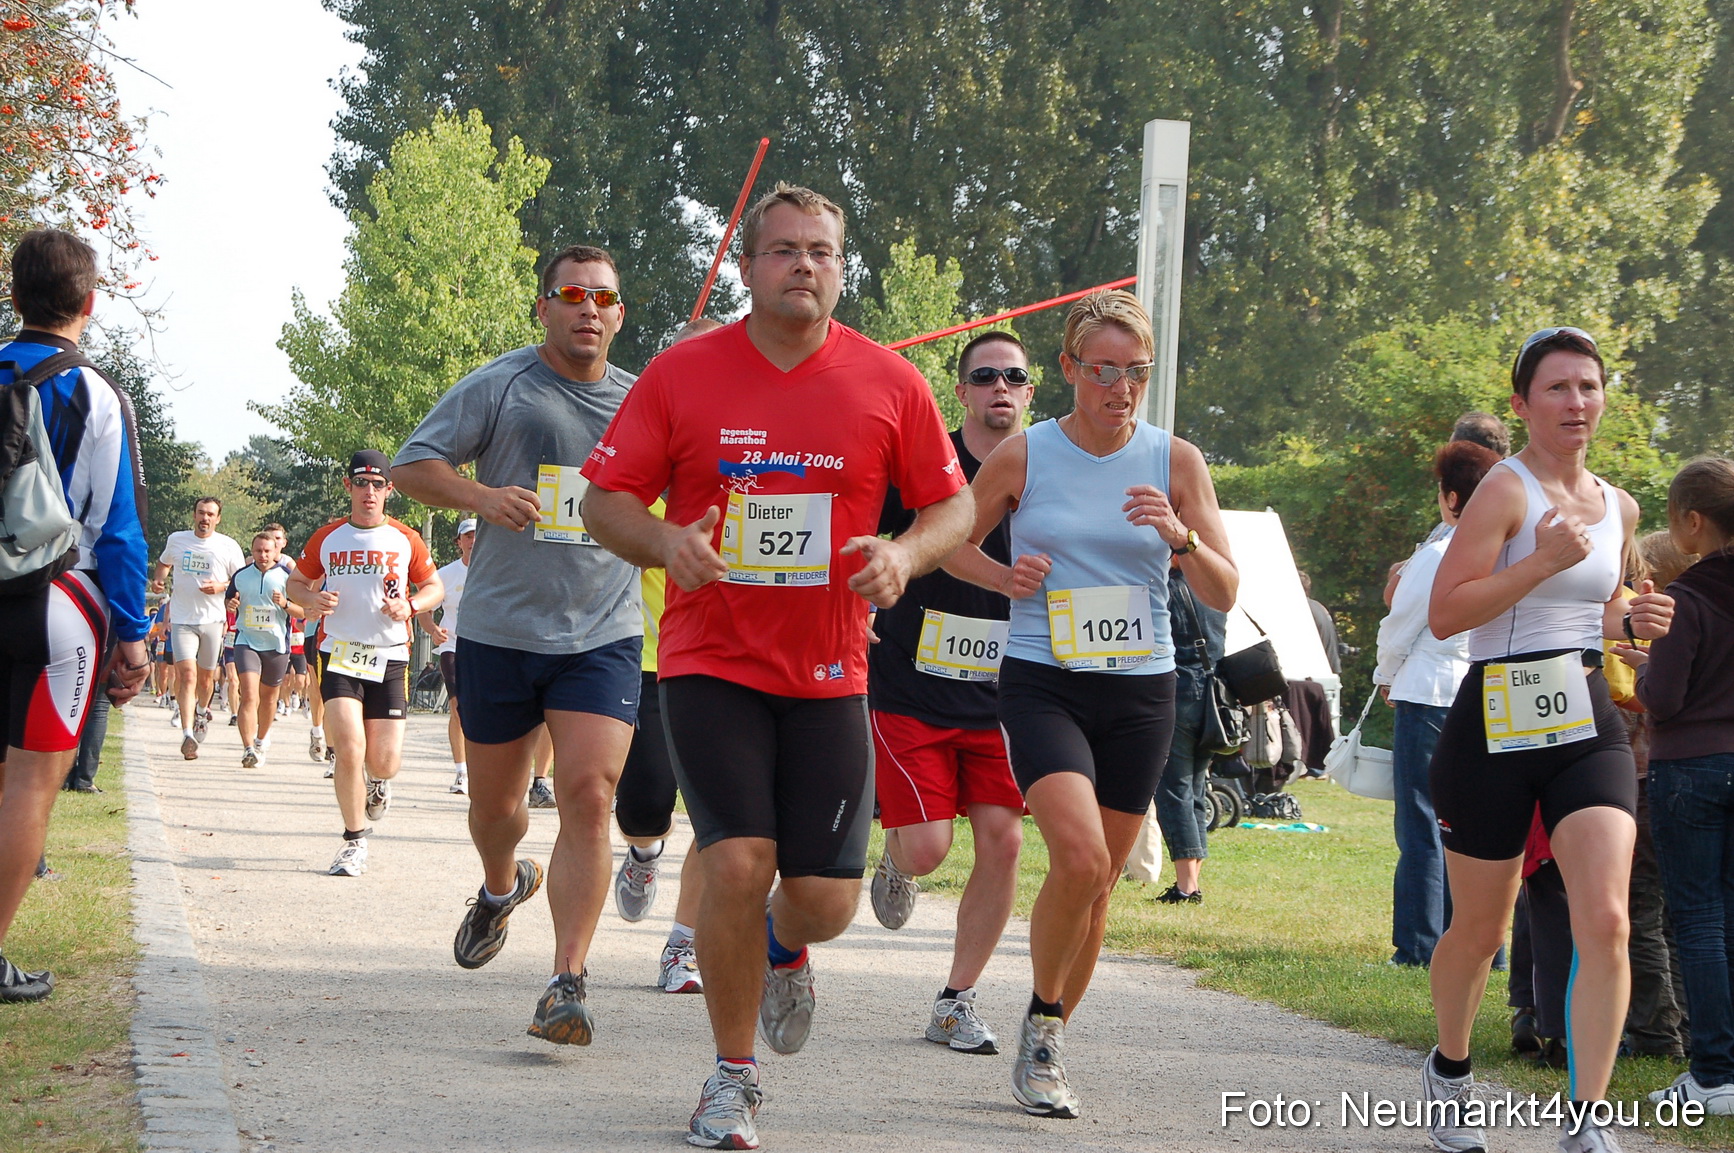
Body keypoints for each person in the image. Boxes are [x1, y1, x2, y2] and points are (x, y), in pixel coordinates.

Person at [581, 183, 972, 1150]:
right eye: (785, 249)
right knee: (738, 860)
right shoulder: (681, 374)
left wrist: (905, 556)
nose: (805, 264)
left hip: (833, 672)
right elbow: (603, 502)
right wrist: (666, 541)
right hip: (711, 662)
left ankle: (786, 949)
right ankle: (730, 1077)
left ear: (842, 269)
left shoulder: (890, 382)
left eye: (823, 251)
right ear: (751, 267)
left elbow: (951, 508)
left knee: (824, 898)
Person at [946, 289, 1236, 1118]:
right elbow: (947, 538)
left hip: (1143, 687)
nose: (1120, 387)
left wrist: (1180, 539)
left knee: (1102, 880)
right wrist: (1004, 577)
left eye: (1135, 372)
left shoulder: (1175, 460)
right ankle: (1042, 1018)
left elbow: (1224, 586)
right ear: (1069, 369)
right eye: (1103, 370)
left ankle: (1048, 1033)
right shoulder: (1027, 455)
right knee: (1076, 858)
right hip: (1045, 677)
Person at [1422, 326, 1675, 1153]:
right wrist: (1535, 563)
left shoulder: (1620, 504)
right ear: (1523, 404)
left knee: (1606, 917)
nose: (1576, 402)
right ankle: (1450, 1070)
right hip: (1493, 718)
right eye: (1558, 388)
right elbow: (1447, 611)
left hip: (1585, 719)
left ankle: (1586, 1117)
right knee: (1481, 929)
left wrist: (1633, 625)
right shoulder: (1505, 490)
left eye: (1588, 387)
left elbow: (1594, 614)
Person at [392, 243, 643, 1045]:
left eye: (603, 297)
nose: (588, 309)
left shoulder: (642, 400)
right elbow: (411, 465)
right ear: (544, 307)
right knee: (496, 809)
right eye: (571, 294)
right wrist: (482, 495)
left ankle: (566, 981)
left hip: (605, 630)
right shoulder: (503, 384)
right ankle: (501, 886)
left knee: (589, 795)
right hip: (503, 628)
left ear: (619, 313)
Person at [863, 329, 1033, 1053]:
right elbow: (862, 538)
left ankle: (957, 999)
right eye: (985, 376)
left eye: (1014, 377)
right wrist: (851, 610)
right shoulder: (923, 467)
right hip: (912, 681)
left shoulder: (1050, 466)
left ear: (1030, 391)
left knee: (1004, 839)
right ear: (960, 391)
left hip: (1011, 690)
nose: (1001, 387)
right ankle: (898, 862)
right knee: (930, 846)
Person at [0, 228, 151, 1001]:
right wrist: (133, 633)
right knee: (29, 785)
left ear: (15, 295)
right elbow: (118, 529)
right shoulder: (95, 393)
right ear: (90, 304)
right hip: (60, 601)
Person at [607, 318, 721, 997]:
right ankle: (645, 849)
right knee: (647, 800)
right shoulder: (636, 453)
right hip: (644, 654)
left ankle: (683, 946)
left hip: (724, 658)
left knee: (717, 814)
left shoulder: (750, 454)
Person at [1617, 457, 1734, 1115]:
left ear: (1692, 523)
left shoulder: (1688, 598)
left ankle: (1714, 1070)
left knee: (1695, 917)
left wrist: (1647, 662)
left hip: (1690, 767)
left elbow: (1662, 696)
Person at [1372, 440, 1501, 967]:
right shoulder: (1507, 553)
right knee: (1481, 828)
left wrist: (1385, 673)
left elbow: (1401, 623)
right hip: (1483, 695)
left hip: (1427, 693)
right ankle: (1485, 948)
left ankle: (1419, 945)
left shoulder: (1439, 552)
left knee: (1423, 824)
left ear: (1450, 498)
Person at [287, 451, 442, 877]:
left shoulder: (405, 539)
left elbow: (434, 587)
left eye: (378, 485)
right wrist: (311, 600)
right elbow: (295, 583)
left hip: (390, 655)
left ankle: (378, 783)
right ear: (348, 486)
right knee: (349, 747)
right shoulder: (328, 537)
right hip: (338, 652)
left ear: (389, 490)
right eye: (361, 483)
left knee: (384, 760)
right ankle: (354, 842)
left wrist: (410, 606)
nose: (369, 492)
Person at [151, 497, 246, 758]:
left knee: (206, 679)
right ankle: (187, 733)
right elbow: (164, 564)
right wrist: (159, 580)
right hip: (182, 619)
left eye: (210, 514)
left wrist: (222, 587)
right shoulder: (177, 540)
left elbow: (241, 579)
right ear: (194, 515)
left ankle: (202, 712)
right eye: (201, 513)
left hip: (213, 620)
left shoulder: (227, 546)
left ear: (218, 519)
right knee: (187, 675)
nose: (205, 518)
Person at [228, 531, 305, 767]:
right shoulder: (240, 576)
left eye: (267, 551)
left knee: (269, 698)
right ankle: (248, 748)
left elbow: (303, 612)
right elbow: (230, 602)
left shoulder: (286, 576)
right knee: (249, 694)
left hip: (276, 644)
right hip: (246, 641)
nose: (262, 555)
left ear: (276, 553)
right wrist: (230, 604)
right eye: (258, 551)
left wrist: (285, 604)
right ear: (251, 552)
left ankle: (261, 739)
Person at [418, 517, 475, 795]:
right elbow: (424, 609)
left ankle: (482, 770)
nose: (473, 542)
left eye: (478, 536)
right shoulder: (446, 575)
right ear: (459, 542)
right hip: (452, 646)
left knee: (485, 710)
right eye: (468, 537)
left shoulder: (497, 572)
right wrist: (432, 630)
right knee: (457, 707)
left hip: (486, 648)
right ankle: (461, 772)